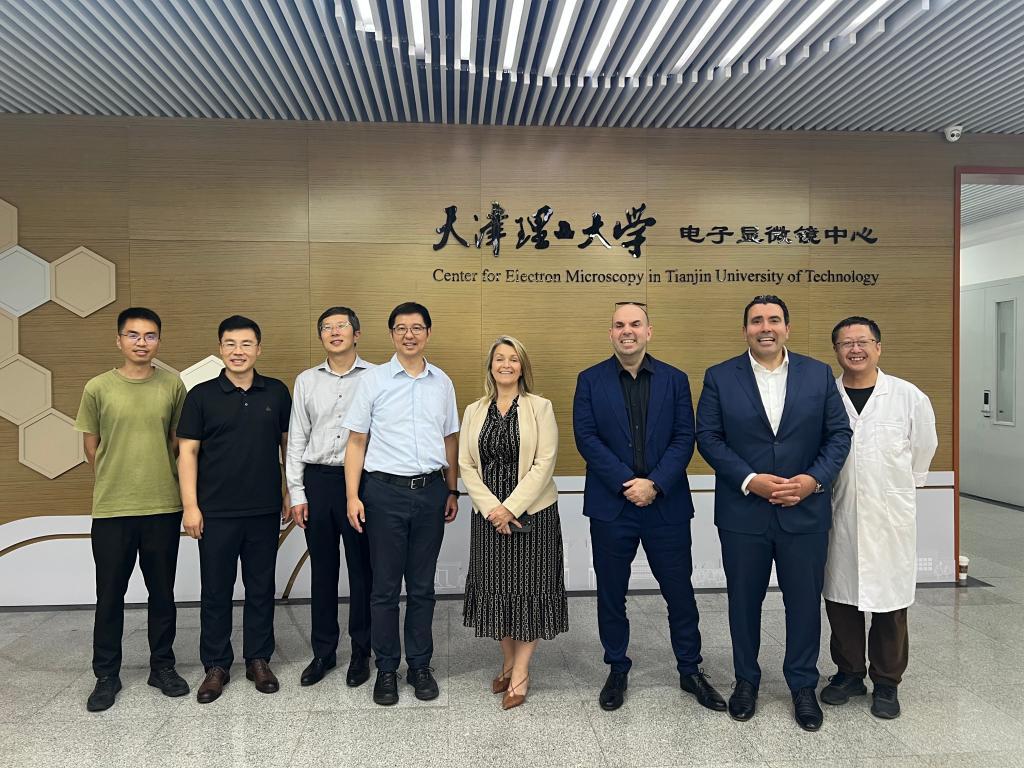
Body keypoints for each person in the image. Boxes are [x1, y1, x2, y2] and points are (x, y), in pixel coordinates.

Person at [696, 295, 852, 731]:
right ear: (745, 329)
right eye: (757, 320)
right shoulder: (720, 376)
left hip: (805, 511)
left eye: (774, 320)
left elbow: (839, 435)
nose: (766, 327)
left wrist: (812, 480)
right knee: (743, 602)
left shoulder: (818, 374)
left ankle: (803, 685)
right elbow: (708, 437)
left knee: (803, 603)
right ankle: (746, 681)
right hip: (743, 513)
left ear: (787, 327)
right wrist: (750, 479)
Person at [573, 302, 724, 713]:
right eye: (619, 324)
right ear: (611, 333)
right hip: (612, 505)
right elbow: (587, 438)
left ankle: (690, 669)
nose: (628, 331)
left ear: (649, 331)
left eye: (635, 324)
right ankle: (617, 667)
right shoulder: (590, 380)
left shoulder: (675, 379)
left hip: (665, 505)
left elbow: (685, 437)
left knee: (680, 592)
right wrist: (629, 484)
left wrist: (654, 484)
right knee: (611, 593)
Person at [343, 302, 460, 706]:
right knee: (385, 588)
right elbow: (356, 441)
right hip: (383, 493)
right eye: (401, 328)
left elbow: (449, 439)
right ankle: (387, 669)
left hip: (430, 492)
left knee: (423, 587)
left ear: (428, 332)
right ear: (392, 334)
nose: (409, 335)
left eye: (417, 328)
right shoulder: (373, 380)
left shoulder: (442, 382)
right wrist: (353, 495)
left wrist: (451, 489)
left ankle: (420, 665)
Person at [820, 316, 937, 720]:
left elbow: (923, 448)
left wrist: (900, 490)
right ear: (836, 351)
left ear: (878, 347)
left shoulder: (907, 396)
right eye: (846, 343)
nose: (855, 349)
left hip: (890, 517)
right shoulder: (826, 396)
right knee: (841, 598)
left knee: (890, 603)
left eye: (863, 341)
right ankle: (849, 673)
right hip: (839, 513)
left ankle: (887, 682)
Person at [75, 307, 189, 712]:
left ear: (159, 340)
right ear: (119, 340)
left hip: (162, 505)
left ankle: (163, 667)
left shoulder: (172, 385)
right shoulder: (98, 387)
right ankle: (106, 675)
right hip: (112, 508)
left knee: (162, 593)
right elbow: (91, 447)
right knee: (109, 595)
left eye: (150, 335)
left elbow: (178, 441)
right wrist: (120, 474)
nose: (142, 342)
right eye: (133, 335)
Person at [177, 315, 292, 703]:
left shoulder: (276, 392)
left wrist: (290, 491)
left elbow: (288, 446)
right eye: (230, 343)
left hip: (263, 510)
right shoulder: (201, 395)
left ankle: (258, 659)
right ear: (220, 348)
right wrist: (190, 506)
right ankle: (216, 665)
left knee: (261, 588)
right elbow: (187, 453)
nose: (238, 351)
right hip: (215, 512)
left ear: (259, 349)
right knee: (216, 590)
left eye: (246, 344)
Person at [460, 335, 568, 710]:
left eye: (513, 359)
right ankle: (507, 660)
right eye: (499, 359)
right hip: (488, 517)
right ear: (491, 366)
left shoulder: (540, 407)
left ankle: (521, 671)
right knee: (496, 591)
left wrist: (511, 508)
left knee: (529, 591)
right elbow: (466, 465)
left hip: (532, 516)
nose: (506, 364)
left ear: (522, 367)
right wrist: (494, 508)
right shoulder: (474, 410)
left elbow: (544, 463)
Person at [286, 306, 375, 688]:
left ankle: (362, 651)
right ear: (320, 335)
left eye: (342, 326)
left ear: (357, 334)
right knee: (322, 570)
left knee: (363, 570)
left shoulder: (376, 377)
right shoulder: (306, 380)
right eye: (327, 327)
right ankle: (323, 651)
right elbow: (297, 438)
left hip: (362, 483)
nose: (335, 332)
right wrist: (296, 492)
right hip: (318, 481)